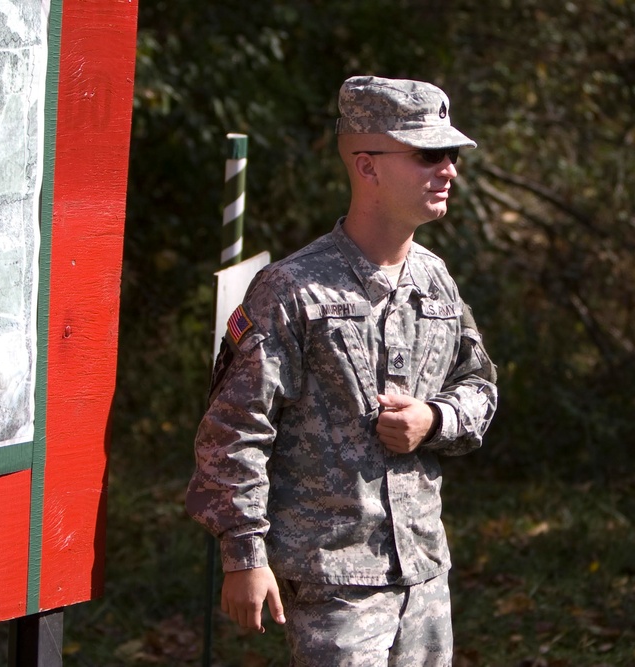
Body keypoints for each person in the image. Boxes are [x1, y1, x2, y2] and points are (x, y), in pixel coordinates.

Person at [186, 75, 498, 666]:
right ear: (367, 165)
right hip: (335, 582)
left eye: (452, 154)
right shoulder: (291, 289)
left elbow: (479, 385)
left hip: (425, 573)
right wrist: (245, 554)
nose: (450, 169)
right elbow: (235, 428)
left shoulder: (435, 280)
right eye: (429, 153)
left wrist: (435, 419)